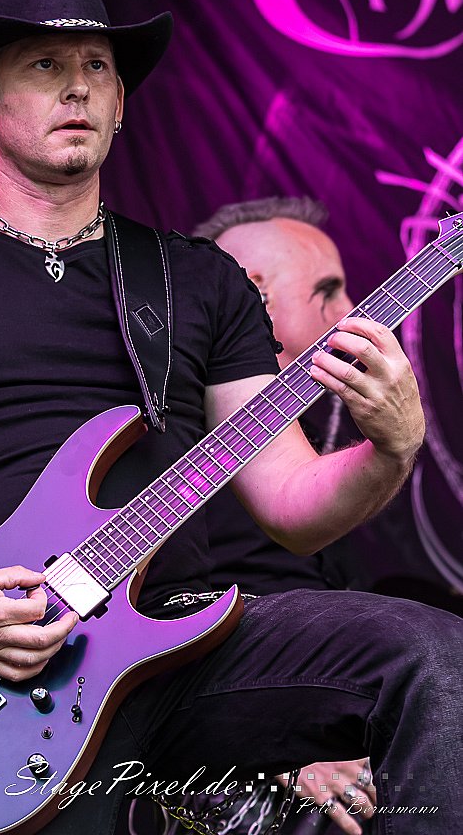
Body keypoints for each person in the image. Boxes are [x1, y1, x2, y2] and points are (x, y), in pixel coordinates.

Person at [0, 0, 460, 835]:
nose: (78, 87)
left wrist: (390, 449)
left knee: (431, 655)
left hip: (175, 647)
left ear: (122, 101)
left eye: (97, 67)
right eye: (44, 65)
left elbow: (294, 507)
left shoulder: (196, 280)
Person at [194, 196, 372, 834]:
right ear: (253, 297)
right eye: (326, 291)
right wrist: (284, 745)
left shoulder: (310, 442)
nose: (350, 311)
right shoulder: (177, 442)